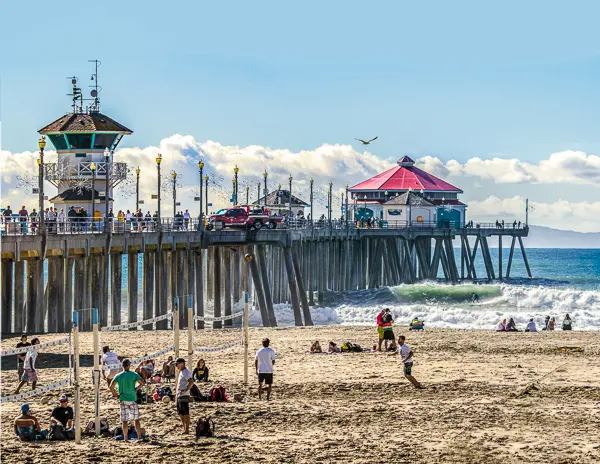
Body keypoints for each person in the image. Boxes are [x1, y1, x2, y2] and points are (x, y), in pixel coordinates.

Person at [109, 359, 145, 442]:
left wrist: (115, 394)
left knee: (124, 420)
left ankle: (125, 438)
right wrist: (136, 389)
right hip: (132, 398)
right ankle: (139, 436)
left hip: (123, 398)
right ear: (129, 365)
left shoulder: (119, 375)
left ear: (122, 366)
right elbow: (142, 383)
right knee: (136, 419)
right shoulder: (133, 374)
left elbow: (111, 386)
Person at [175, 358, 194, 434]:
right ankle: (184, 429)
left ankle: (187, 430)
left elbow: (191, 382)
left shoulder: (186, 372)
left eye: (178, 364)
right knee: (180, 413)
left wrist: (186, 390)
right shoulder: (181, 372)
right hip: (179, 395)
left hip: (184, 395)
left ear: (182, 363)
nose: (177, 365)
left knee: (185, 413)